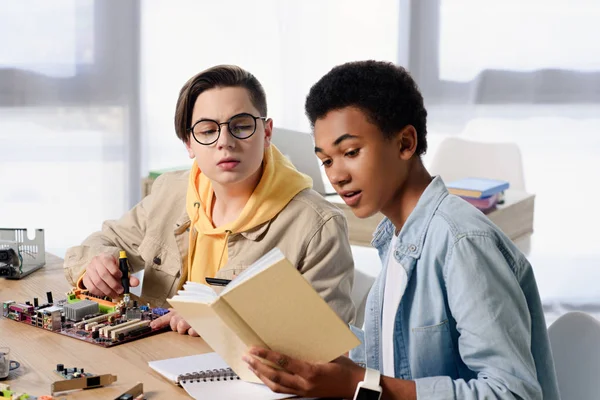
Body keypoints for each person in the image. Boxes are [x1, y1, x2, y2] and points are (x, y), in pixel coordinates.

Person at [242, 60, 560, 400]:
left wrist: (357, 386)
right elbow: (399, 358)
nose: (336, 175)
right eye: (327, 160)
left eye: (350, 152)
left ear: (405, 143)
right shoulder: (395, 237)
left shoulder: (461, 242)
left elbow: (514, 393)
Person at [63, 65, 356, 335]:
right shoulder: (170, 191)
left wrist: (225, 322)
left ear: (266, 132)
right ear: (189, 143)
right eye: (207, 130)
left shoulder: (318, 225)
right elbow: (96, 243)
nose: (224, 142)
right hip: (156, 365)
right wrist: (96, 265)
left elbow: (326, 344)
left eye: (240, 126)